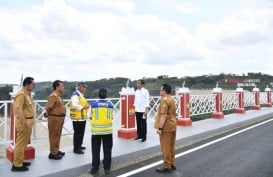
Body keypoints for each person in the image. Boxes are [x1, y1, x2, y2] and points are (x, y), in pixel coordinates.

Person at [11, 77, 35, 172]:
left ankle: (21, 160)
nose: (34, 86)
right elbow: (18, 109)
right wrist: (24, 122)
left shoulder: (27, 94)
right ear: (27, 84)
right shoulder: (21, 95)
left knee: (24, 143)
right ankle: (17, 165)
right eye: (33, 84)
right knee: (20, 144)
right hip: (24, 122)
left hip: (28, 121)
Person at [89, 88, 114, 175]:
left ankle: (95, 168)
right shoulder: (110, 104)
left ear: (98, 95)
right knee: (107, 150)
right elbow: (112, 117)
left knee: (95, 150)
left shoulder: (93, 104)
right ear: (106, 95)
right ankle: (107, 168)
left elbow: (90, 117)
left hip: (96, 132)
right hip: (107, 131)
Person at [154, 84, 177, 173]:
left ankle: (167, 165)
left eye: (161, 90)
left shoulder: (164, 101)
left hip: (166, 128)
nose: (160, 91)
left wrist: (160, 128)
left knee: (165, 147)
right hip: (173, 125)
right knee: (171, 146)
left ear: (164, 91)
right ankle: (172, 163)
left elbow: (163, 116)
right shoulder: (171, 99)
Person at [45, 80, 66, 160]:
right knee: (54, 136)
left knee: (57, 135)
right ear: (57, 87)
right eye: (62, 86)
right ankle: (53, 154)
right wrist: (49, 115)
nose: (63, 87)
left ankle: (56, 150)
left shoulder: (58, 96)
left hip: (59, 119)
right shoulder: (53, 96)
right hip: (55, 119)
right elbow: (48, 107)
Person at [69, 83, 90, 154]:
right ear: (79, 88)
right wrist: (84, 107)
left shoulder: (81, 96)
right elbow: (75, 105)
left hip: (82, 117)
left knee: (81, 133)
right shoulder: (75, 95)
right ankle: (76, 148)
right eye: (84, 87)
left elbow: (84, 103)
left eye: (85, 87)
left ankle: (79, 145)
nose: (85, 89)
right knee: (77, 134)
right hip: (77, 118)